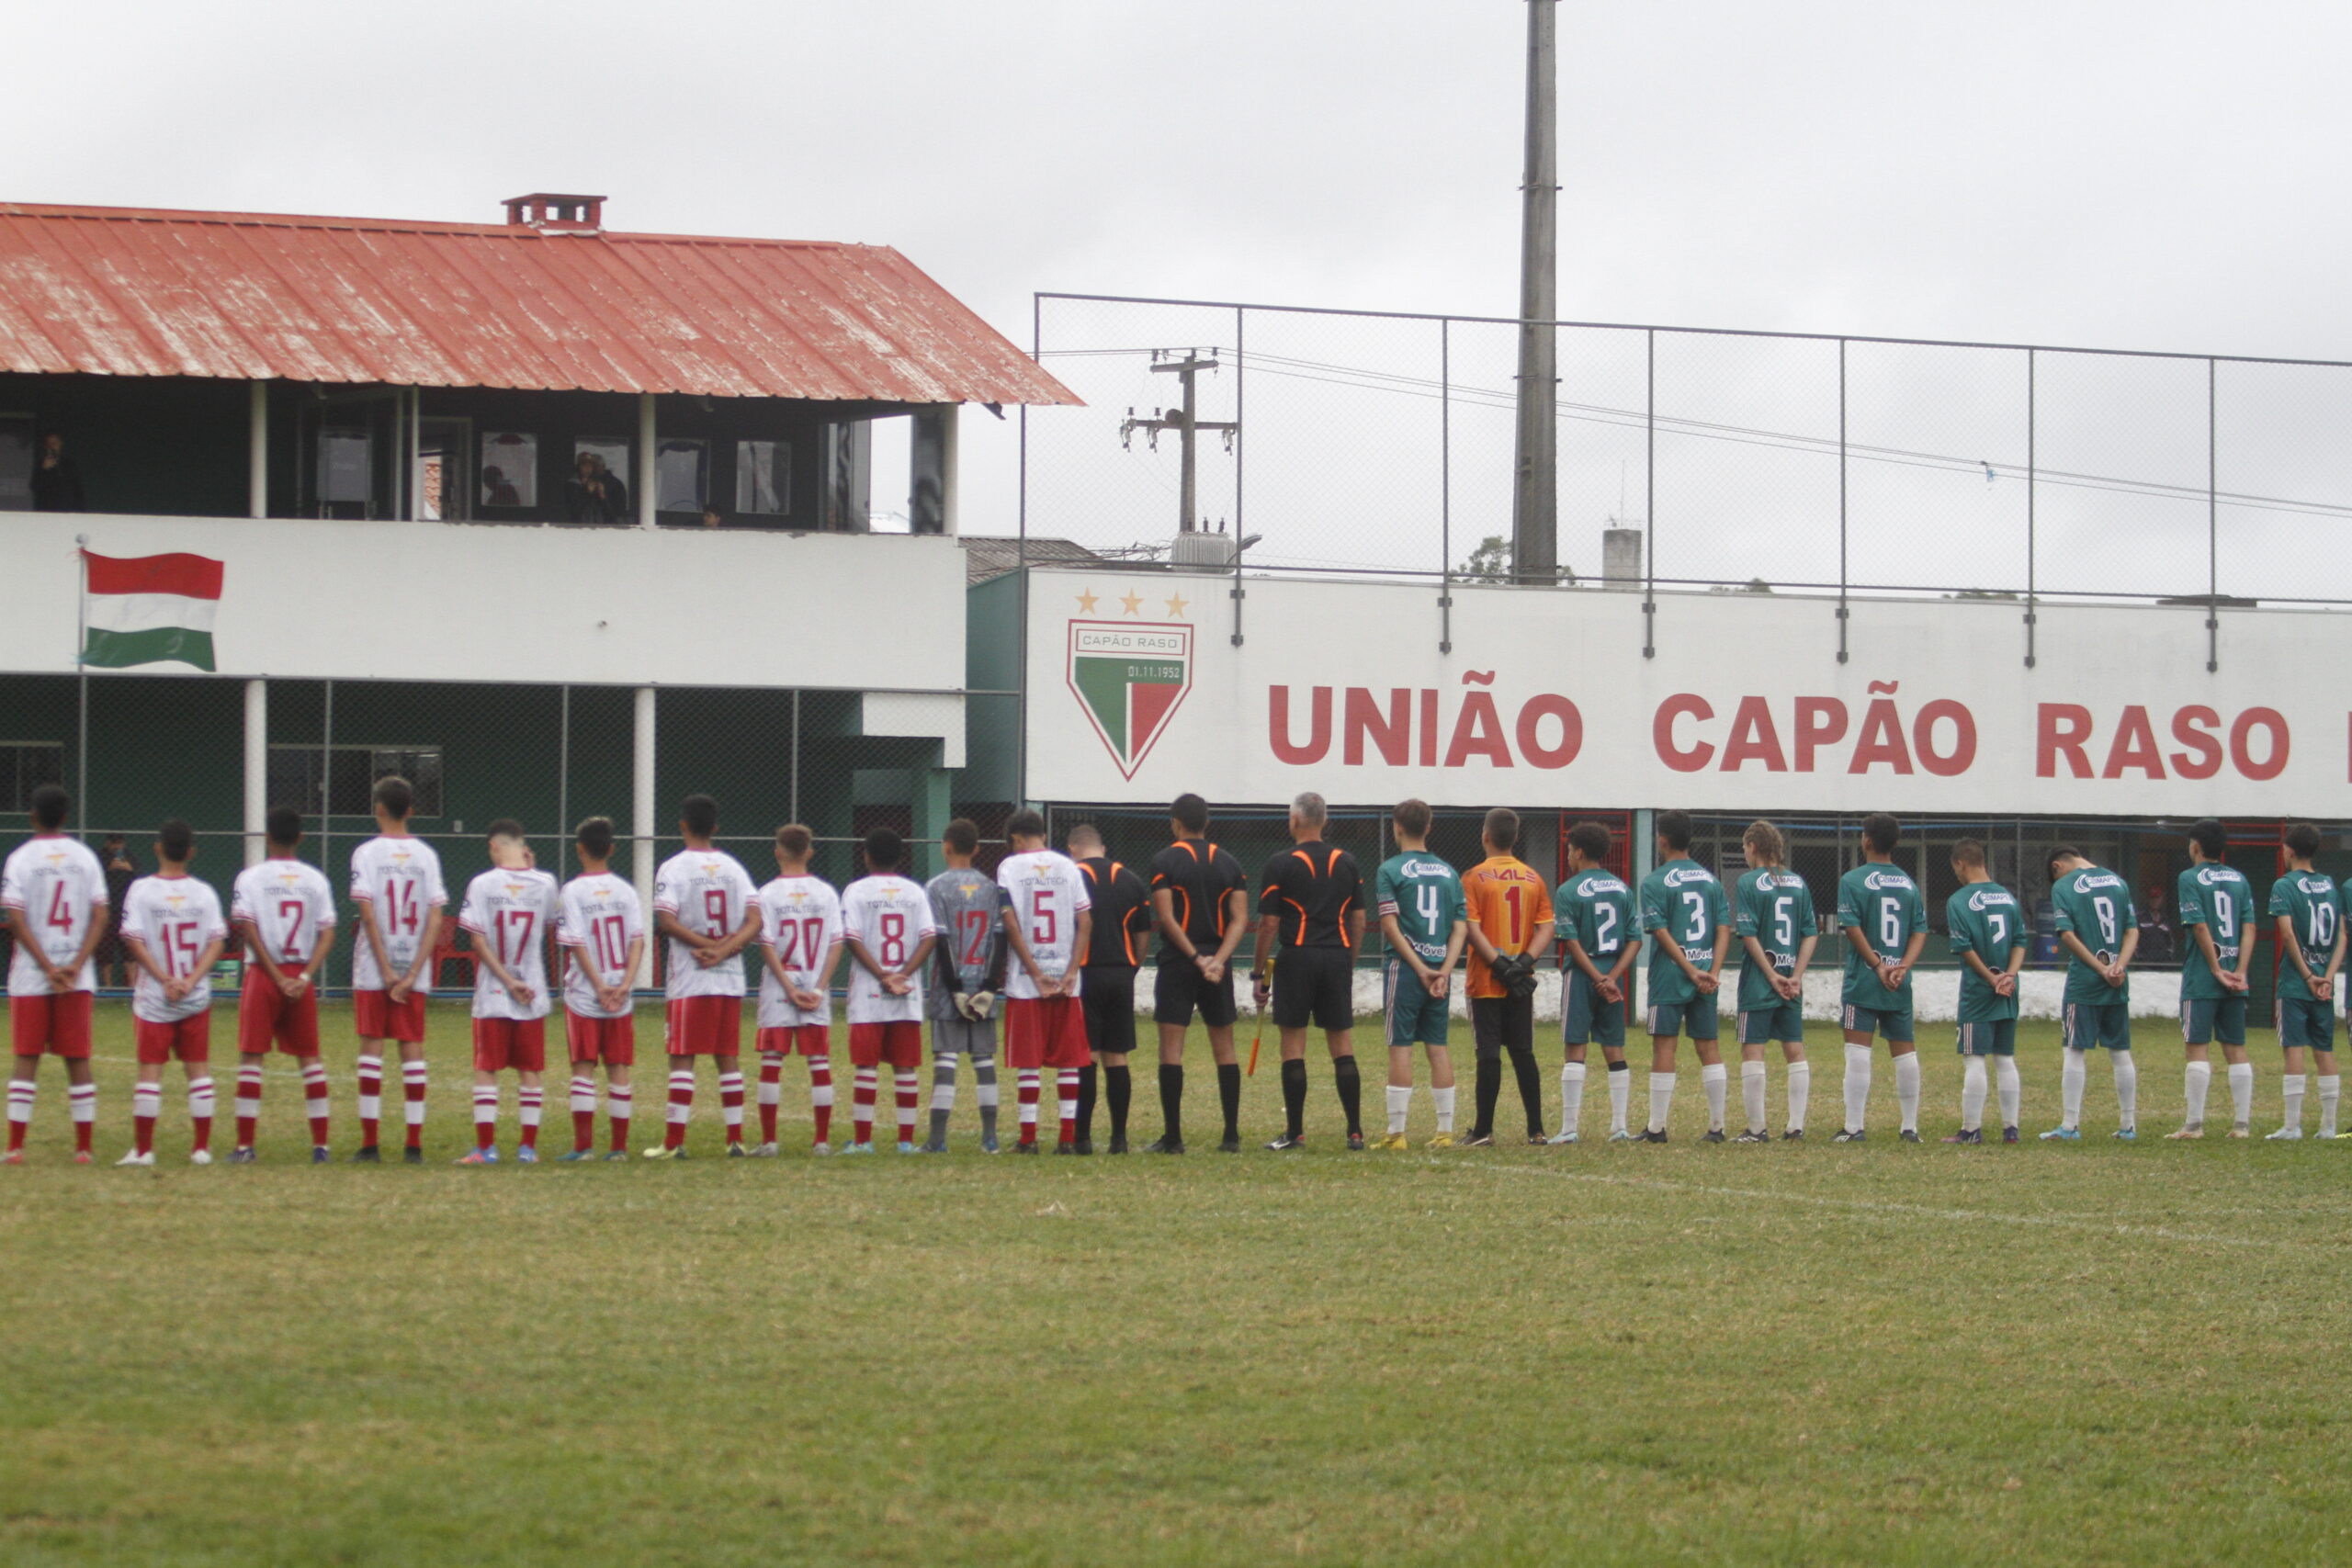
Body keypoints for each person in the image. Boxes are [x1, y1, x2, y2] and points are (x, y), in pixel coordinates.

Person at [646, 795, 762, 1158]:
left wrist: (707, 947)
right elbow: (755, 920)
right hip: (729, 978)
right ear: (715, 828)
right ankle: (736, 1139)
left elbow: (666, 920)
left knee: (683, 1056)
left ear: (682, 825)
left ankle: (674, 1142)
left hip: (691, 977)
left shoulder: (672, 868)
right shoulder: (734, 867)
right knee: (727, 1056)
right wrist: (725, 949)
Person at [1252, 792, 1367, 1151]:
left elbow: (1269, 923)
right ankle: (1355, 1131)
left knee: (1293, 1045)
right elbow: (1359, 918)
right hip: (1336, 957)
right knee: (1341, 1044)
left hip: (1298, 958)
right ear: (1324, 820)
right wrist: (1348, 959)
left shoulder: (1281, 863)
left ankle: (1295, 1132)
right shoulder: (1346, 861)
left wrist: (1259, 973)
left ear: (1296, 820)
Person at [3, 785, 108, 1162]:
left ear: (33, 815)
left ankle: (15, 1147)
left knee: (26, 1057)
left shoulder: (20, 859)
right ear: (65, 817)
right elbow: (100, 913)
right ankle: (84, 1149)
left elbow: (14, 917)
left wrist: (47, 967)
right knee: (77, 1058)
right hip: (75, 975)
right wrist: (76, 964)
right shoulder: (85, 857)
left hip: (32, 974)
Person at [228, 807, 339, 1162]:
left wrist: (276, 976)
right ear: (301, 838)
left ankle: (245, 1146)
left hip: (264, 974)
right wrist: (305, 976)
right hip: (299, 975)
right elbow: (327, 934)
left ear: (266, 837)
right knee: (310, 1059)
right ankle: (321, 1146)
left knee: (252, 1057)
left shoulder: (251, 877)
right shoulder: (315, 879)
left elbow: (247, 927)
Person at [115, 819, 228, 1167]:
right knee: (199, 1071)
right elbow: (216, 941)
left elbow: (132, 938)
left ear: (157, 848)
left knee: (150, 1072)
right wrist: (191, 980)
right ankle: (201, 1149)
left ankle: (145, 1151)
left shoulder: (141, 890)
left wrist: (165, 979)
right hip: (194, 997)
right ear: (191, 852)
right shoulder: (204, 892)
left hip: (155, 998)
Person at [347, 775, 447, 1163]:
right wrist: (411, 972)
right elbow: (436, 917)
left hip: (375, 967)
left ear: (378, 808)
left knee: (371, 1048)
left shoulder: (367, 853)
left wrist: (387, 970)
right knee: (412, 1049)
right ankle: (413, 1145)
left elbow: (368, 914)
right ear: (411, 810)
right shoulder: (426, 855)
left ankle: (370, 1144)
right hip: (413, 968)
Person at [1146, 794, 1252, 1154]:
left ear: (1175, 822)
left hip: (1179, 963)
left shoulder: (1164, 860)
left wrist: (1195, 958)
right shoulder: (1230, 863)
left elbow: (1166, 918)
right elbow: (1240, 919)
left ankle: (1173, 1138)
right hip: (1216, 967)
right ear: (1206, 822)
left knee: (1171, 1049)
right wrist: (1217, 960)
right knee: (1225, 1048)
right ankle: (1231, 1136)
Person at [456, 821, 560, 1165]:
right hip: (532, 989)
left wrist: (506, 981)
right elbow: (551, 922)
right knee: (529, 1069)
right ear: (523, 845)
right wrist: (532, 868)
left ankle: (486, 1148)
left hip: (494, 992)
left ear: (494, 846)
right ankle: (527, 1149)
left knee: (487, 1068)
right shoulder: (545, 883)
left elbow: (478, 941)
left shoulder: (482, 884)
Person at [997, 810, 1093, 1153]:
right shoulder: (1068, 867)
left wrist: (1035, 972)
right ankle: (1066, 1139)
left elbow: (1010, 923)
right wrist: (1071, 971)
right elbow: (1085, 920)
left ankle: (1028, 1139)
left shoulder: (1009, 867)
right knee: (1068, 1060)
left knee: (1028, 1061)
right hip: (1066, 981)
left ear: (1016, 839)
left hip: (1027, 981)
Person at [1372, 797, 1466, 1150]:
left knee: (1400, 1048)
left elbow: (1390, 924)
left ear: (1396, 826)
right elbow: (1460, 927)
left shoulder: (1390, 869)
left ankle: (1397, 1133)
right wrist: (1443, 969)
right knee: (1438, 1048)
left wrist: (1419, 968)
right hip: (1441, 971)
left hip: (1407, 970)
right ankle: (1445, 1132)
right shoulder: (1449, 872)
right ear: (1429, 827)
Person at [839, 830, 940, 1153]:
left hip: (869, 993)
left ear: (866, 855)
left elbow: (852, 937)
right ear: (901, 857)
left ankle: (864, 1141)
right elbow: (929, 937)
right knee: (904, 1066)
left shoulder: (856, 891)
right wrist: (903, 974)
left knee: (866, 1066)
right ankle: (906, 1142)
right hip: (905, 993)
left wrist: (882, 974)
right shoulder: (914, 892)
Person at [1459, 807, 1555, 1147]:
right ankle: (1536, 1129)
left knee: (1488, 1053)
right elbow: (1546, 926)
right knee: (1523, 1052)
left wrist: (1499, 966)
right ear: (1516, 838)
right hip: (1521, 981)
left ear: (1485, 836)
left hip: (1487, 980)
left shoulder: (1473, 877)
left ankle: (1483, 1130)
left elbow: (1471, 927)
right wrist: (1523, 963)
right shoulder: (1533, 878)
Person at [1635, 809, 1732, 1143]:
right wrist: (1712, 970)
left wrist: (1688, 970)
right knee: (1709, 1047)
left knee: (1664, 1046)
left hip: (1670, 976)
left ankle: (1657, 1128)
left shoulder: (1654, 881)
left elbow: (1659, 931)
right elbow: (1723, 929)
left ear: (1662, 839)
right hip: (1707, 974)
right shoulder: (1711, 880)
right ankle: (1717, 1127)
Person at [1832, 813, 1928, 1144]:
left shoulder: (1853, 880)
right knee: (1905, 1052)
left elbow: (1852, 927)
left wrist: (1877, 965)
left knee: (1858, 1051)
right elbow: (1919, 930)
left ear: (1867, 841)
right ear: (1897, 843)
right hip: (1899, 981)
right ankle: (1909, 1127)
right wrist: (1902, 966)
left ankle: (1854, 1127)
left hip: (1866, 979)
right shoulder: (1908, 883)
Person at [554, 817, 643, 1161]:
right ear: (611, 849)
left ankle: (583, 1147)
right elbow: (638, 941)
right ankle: (619, 1149)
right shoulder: (625, 890)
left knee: (583, 1066)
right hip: (620, 993)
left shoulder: (572, 891)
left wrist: (599, 985)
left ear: (579, 849)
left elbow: (575, 943)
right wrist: (624, 985)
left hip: (584, 993)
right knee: (618, 1066)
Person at [753, 824, 843, 1156]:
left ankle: (769, 1141)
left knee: (772, 1061)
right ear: (809, 852)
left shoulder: (766, 894)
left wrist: (789, 988)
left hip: (780, 988)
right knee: (818, 1061)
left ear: (777, 852)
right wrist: (818, 988)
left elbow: (766, 944)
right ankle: (821, 1141)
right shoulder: (826, 893)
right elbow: (837, 943)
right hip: (814, 987)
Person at [2041, 846, 2141, 1141]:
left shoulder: (2063, 885)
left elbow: (2067, 934)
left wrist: (2100, 969)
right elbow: (2132, 930)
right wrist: (2117, 967)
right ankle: (2128, 1126)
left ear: (2058, 866)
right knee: (2120, 1052)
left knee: (2074, 1049)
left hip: (2086, 980)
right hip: (2117, 980)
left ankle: (2070, 1126)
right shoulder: (2117, 881)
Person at [922, 818, 1008, 1153]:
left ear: (945, 847)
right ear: (976, 849)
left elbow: (940, 941)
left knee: (946, 1059)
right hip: (983, 987)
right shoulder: (991, 888)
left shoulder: (936, 887)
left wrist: (955, 988)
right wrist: (989, 986)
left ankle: (937, 1140)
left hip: (949, 989)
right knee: (983, 1060)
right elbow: (1000, 941)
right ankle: (990, 1138)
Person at [1731, 820, 1817, 1143]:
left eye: (1744, 847)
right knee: (1794, 1049)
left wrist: (1770, 974)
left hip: (1760, 982)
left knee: (1753, 1050)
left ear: (1752, 846)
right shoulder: (1797, 882)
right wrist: (1795, 975)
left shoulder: (1748, 882)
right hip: (1791, 983)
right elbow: (1811, 932)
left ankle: (1756, 1129)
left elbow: (1748, 933)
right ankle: (1795, 1127)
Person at [1553, 820, 1637, 1144]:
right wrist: (1612, 977)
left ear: (1579, 851)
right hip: (1613, 975)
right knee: (1614, 1047)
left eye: (1570, 851)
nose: (1569, 857)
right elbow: (1634, 940)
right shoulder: (1621, 888)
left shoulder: (1568, 890)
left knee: (1576, 1046)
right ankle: (1619, 1126)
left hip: (1582, 974)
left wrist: (1596, 977)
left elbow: (1570, 941)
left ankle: (1569, 1128)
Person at [1070, 823, 1152, 1154]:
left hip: (1085, 973)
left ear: (1073, 847)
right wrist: (1133, 965)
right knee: (1116, 1055)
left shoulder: (1072, 877)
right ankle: (1119, 1139)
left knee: (1086, 1055)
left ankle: (1083, 1138)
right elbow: (1143, 931)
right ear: (1102, 847)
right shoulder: (1131, 879)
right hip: (1121, 972)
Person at [2171, 819, 2256, 1140]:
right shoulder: (2239, 878)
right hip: (2237, 976)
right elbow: (2249, 927)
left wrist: (2216, 968)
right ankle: (2242, 1125)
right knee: (2236, 1047)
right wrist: (2241, 970)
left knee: (2197, 1048)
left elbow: (2200, 925)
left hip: (2203, 978)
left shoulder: (2189, 878)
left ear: (2194, 846)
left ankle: (2194, 1125)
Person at [1941, 840, 2025, 1145]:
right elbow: (2020, 941)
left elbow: (1964, 948)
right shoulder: (2008, 897)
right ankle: (2011, 1129)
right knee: (2005, 1057)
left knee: (1974, 1057)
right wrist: (2010, 976)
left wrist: (1992, 980)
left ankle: (1971, 1129)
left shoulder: (1959, 900)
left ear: (1961, 864)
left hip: (1980, 991)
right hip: (2009, 990)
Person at [2265, 824, 2343, 1141]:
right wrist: (2327, 975)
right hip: (2325, 982)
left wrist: (2308, 975)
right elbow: (2342, 935)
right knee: (2324, 1049)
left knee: (2293, 1048)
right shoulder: (2329, 885)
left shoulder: (2284, 885)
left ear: (2291, 850)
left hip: (2298, 983)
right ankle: (2328, 1126)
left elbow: (2286, 933)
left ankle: (2292, 1126)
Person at [97, 834, 136, 987]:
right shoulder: (99, 858)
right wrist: (108, 869)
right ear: (108, 843)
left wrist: (129, 869)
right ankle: (108, 986)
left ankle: (132, 986)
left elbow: (138, 879)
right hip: (106, 907)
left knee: (129, 948)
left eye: (120, 843)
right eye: (114, 843)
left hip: (125, 908)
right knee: (106, 949)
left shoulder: (129, 857)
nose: (117, 847)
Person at [564, 450, 629, 524]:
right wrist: (587, 493)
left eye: (591, 466)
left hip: (597, 526)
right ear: (578, 467)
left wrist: (602, 496)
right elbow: (573, 510)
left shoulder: (597, 483)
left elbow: (610, 514)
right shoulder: (572, 484)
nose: (588, 468)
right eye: (584, 465)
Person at [32, 432, 85, 512]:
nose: (51, 447)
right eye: (49, 444)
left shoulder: (69, 465)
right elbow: (34, 486)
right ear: (45, 447)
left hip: (67, 510)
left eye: (54, 443)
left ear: (60, 444)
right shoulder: (40, 464)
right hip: (46, 511)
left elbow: (77, 489)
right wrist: (44, 470)